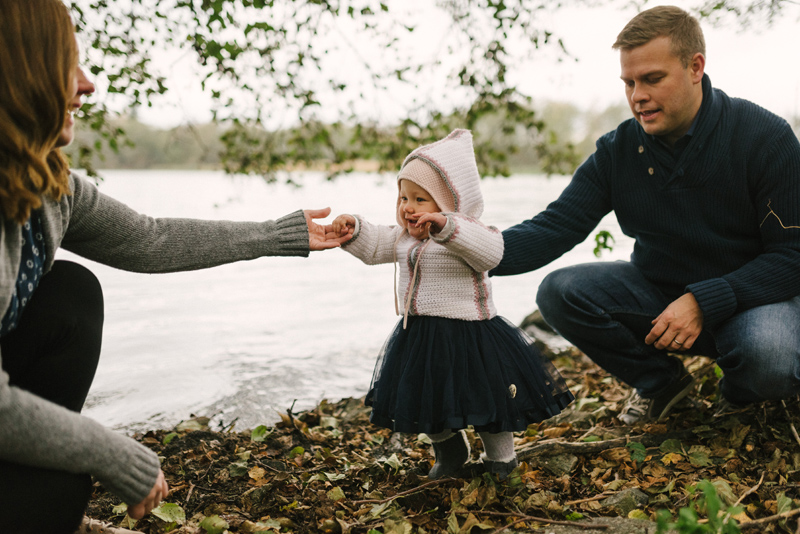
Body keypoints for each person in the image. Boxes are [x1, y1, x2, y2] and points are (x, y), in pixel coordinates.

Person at [0, 1, 349, 533]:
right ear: (20, 69)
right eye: (67, 63)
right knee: (62, 484)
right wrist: (110, 454)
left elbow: (149, 238)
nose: (88, 85)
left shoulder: (50, 185)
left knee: (71, 292)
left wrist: (279, 235)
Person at [492, 5, 800, 424]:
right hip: (658, 298)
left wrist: (704, 301)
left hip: (753, 302)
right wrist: (464, 247)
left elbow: (792, 256)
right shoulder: (617, 151)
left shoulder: (766, 138)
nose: (637, 95)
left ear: (696, 67)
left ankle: (736, 397)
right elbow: (555, 226)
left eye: (652, 79)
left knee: (770, 357)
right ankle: (664, 386)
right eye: (629, 82)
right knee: (558, 291)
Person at [331, 129, 574, 479]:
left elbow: (491, 252)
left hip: (471, 336)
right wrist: (353, 229)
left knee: (488, 402)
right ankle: (449, 449)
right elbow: (375, 246)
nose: (409, 208)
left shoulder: (467, 233)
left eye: (420, 199)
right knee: (421, 398)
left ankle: (501, 460)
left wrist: (446, 227)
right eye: (403, 198)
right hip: (420, 335)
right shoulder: (402, 238)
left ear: (448, 203)